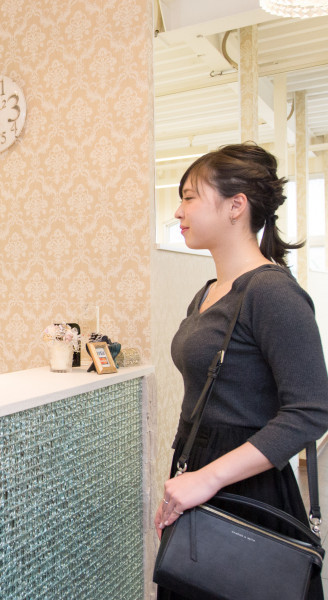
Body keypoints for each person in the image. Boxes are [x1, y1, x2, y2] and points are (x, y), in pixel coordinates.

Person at [155, 142, 328, 600]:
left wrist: (208, 478)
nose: (178, 211)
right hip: (197, 473)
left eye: (189, 197)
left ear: (236, 206)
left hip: (249, 490)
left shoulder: (272, 293)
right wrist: (185, 483)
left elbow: (310, 411)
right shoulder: (209, 292)